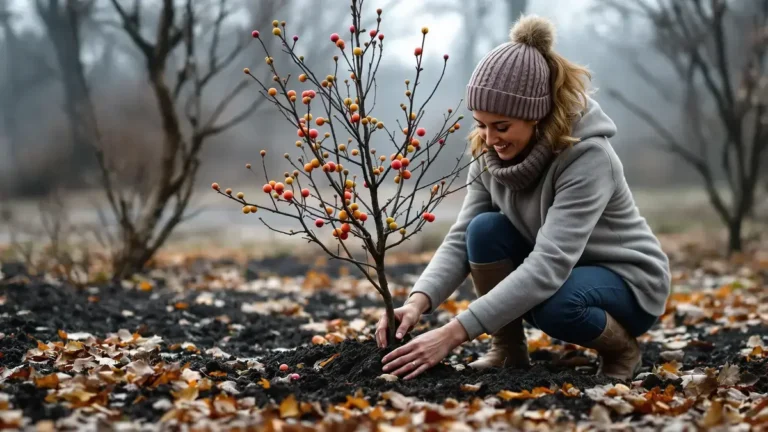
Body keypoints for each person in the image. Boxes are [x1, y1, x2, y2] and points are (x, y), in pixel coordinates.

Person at [374, 14, 671, 381]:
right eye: (481, 124)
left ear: (537, 115)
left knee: (555, 306)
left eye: (501, 126)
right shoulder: (489, 155)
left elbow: (548, 265)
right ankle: (508, 350)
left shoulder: (588, 158)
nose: (489, 138)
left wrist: (452, 334)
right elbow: (460, 239)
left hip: (626, 281)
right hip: (566, 274)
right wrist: (417, 302)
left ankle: (624, 350)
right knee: (483, 230)